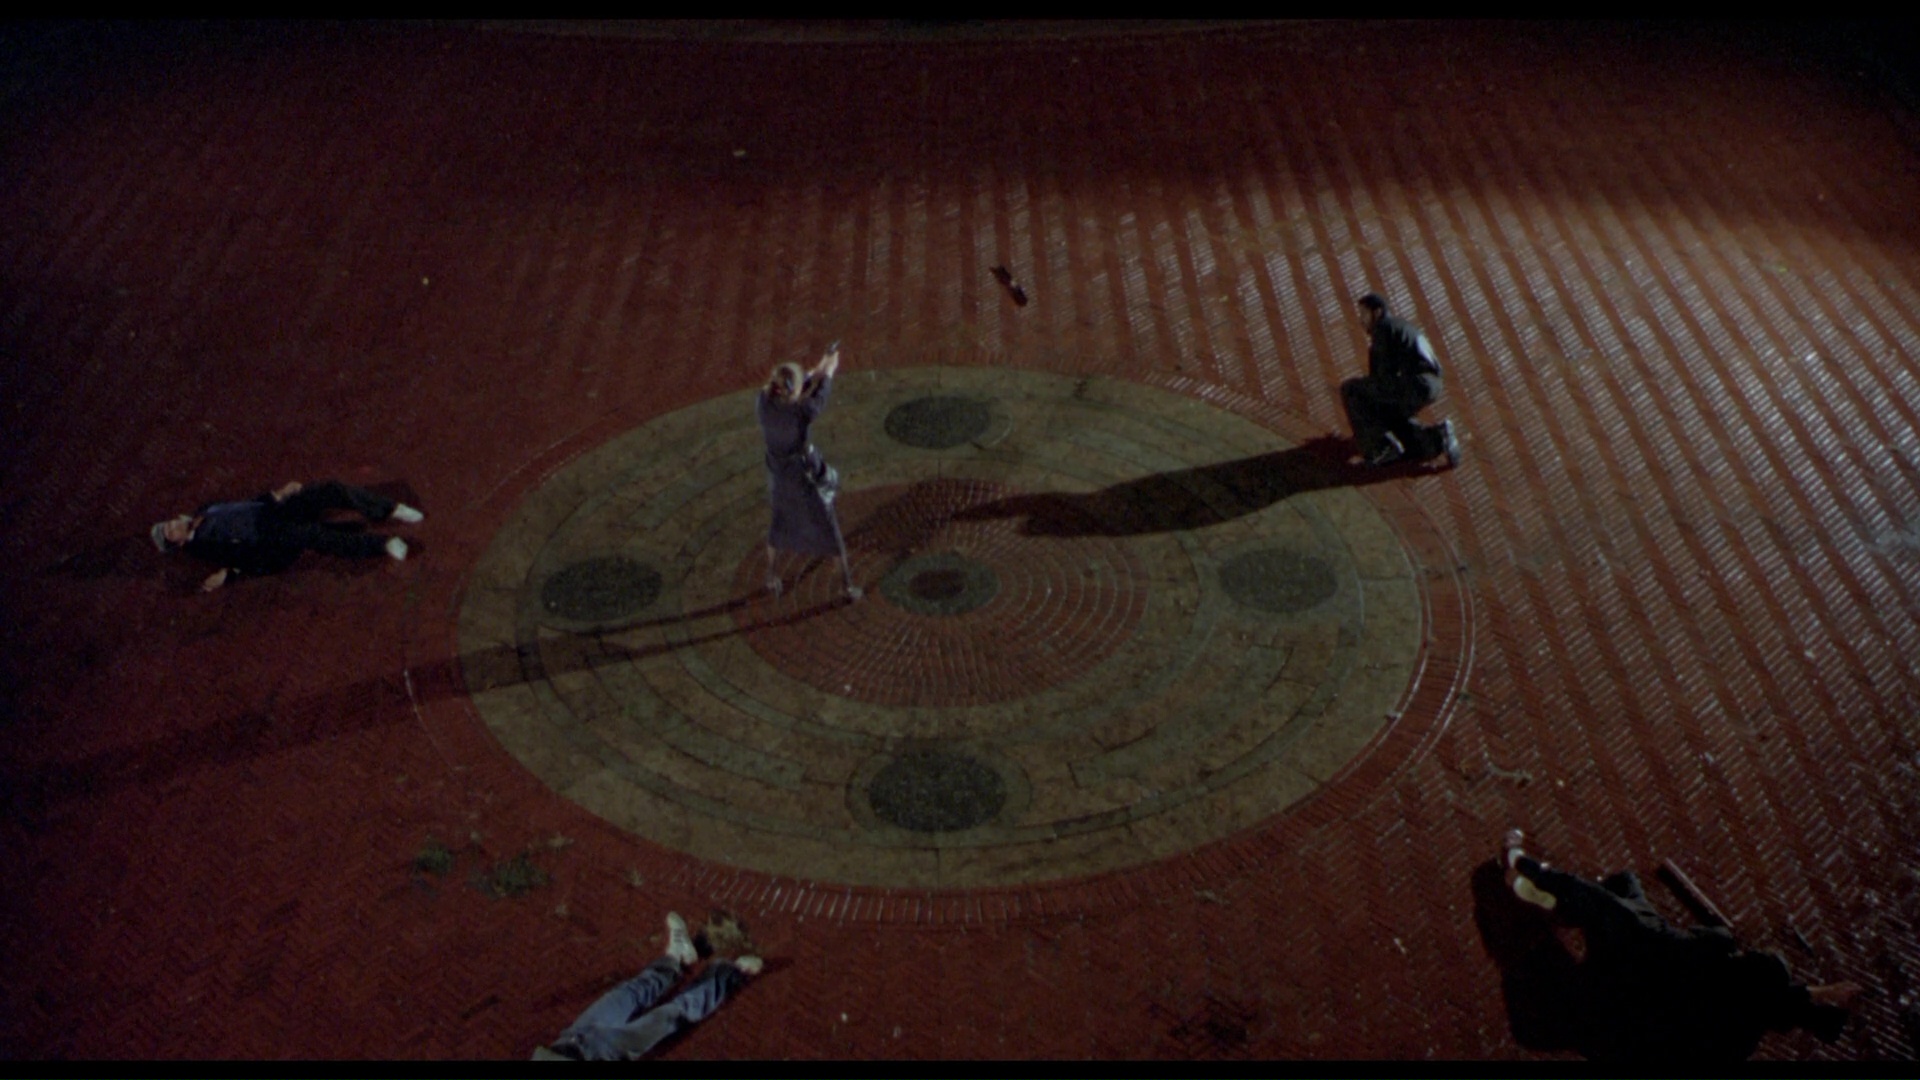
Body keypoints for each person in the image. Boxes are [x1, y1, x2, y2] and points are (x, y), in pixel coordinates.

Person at [1500, 828, 1861, 1059]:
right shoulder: (1737, 1033)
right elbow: (1771, 1000)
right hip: (1633, 997)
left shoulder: (1706, 963)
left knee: (1605, 899)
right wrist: (1818, 996)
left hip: (1637, 966)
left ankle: (1522, 868)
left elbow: (1717, 952)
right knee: (1622, 887)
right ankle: (1549, 901)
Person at [534, 911, 763, 1060]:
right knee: (669, 1015)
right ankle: (730, 974)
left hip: (568, 1041)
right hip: (600, 1057)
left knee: (628, 994)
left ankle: (676, 958)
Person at [151, 479, 422, 592]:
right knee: (316, 536)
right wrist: (230, 574)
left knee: (331, 490)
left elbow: (247, 506)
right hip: (271, 536)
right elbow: (242, 558)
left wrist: (278, 493)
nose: (173, 526)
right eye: (170, 533)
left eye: (169, 524)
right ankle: (384, 544)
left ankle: (390, 509)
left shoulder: (205, 510)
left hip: (275, 511)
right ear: (178, 544)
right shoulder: (203, 545)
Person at [756, 343, 860, 600]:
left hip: (778, 474)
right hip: (804, 476)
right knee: (828, 527)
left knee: (779, 523)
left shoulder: (764, 402)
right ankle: (847, 587)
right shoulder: (802, 413)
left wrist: (819, 367)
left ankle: (770, 575)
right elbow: (819, 395)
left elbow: (797, 386)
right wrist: (829, 371)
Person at [1342, 293, 1460, 467]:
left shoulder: (1383, 327)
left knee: (1351, 390)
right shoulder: (1400, 326)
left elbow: (1381, 374)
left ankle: (1379, 447)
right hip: (1431, 384)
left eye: (1364, 314)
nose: (1361, 320)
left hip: (1416, 382)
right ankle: (1438, 438)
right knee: (1395, 419)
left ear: (1377, 312)